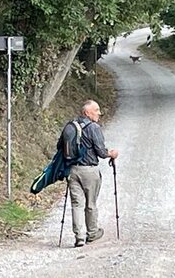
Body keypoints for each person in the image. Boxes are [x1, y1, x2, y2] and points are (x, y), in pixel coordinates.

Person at [68, 100, 119, 247]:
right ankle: (92, 233)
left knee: (77, 204)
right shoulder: (93, 128)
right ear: (87, 113)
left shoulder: (72, 126)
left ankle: (79, 237)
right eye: (96, 110)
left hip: (72, 170)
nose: (99, 113)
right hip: (89, 171)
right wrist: (112, 154)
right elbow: (101, 152)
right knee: (90, 203)